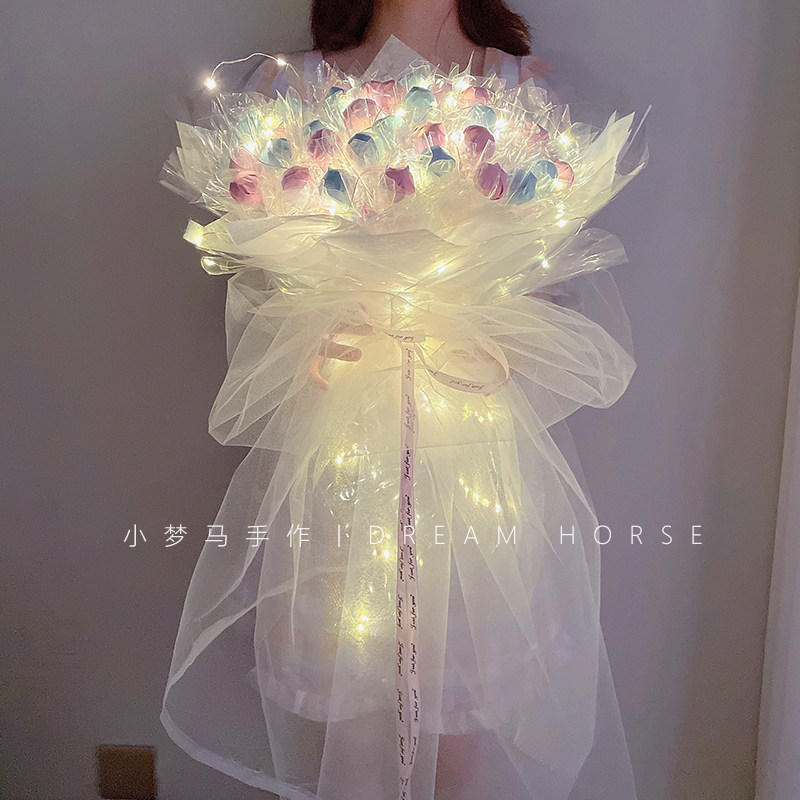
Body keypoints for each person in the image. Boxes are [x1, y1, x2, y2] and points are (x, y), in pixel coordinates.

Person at [161, 3, 641, 799]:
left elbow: (552, 289)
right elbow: (262, 294)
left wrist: (493, 326)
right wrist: (317, 326)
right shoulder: (288, 90)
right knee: (352, 712)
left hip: (473, 465)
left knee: (460, 714)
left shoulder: (525, 90)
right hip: (347, 462)